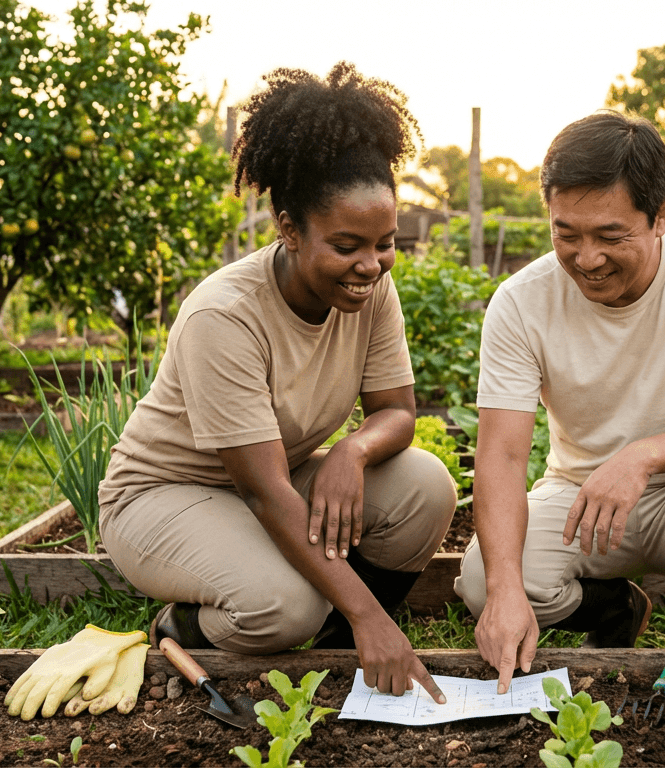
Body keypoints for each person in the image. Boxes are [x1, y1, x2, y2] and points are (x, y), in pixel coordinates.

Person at [98, 63, 454, 702]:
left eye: (385, 243)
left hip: (274, 481)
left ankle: (339, 640)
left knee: (424, 488)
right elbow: (264, 493)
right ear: (289, 229)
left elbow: (397, 411)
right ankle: (183, 625)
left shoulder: (372, 288)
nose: (369, 265)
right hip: (163, 497)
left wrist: (353, 448)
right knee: (284, 607)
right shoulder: (225, 315)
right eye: (346, 245)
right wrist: (375, 613)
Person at [453, 111, 665, 692]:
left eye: (611, 236)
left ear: (661, 214)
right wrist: (507, 594)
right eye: (567, 234)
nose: (587, 258)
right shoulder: (520, 303)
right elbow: (503, 458)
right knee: (484, 579)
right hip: (583, 498)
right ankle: (614, 611)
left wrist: (642, 455)